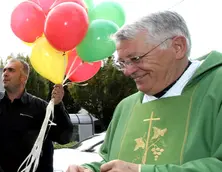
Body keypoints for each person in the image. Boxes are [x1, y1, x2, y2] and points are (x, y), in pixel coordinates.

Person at [66, 11, 222, 172]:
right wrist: (91, 169)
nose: (127, 71)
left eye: (136, 59)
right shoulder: (126, 106)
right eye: (122, 63)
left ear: (178, 47)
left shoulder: (217, 87)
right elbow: (110, 160)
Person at [0, 58, 73, 172]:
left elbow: (64, 137)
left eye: (11, 70)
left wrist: (58, 105)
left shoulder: (40, 107)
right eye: (4, 70)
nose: (5, 73)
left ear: (23, 78)